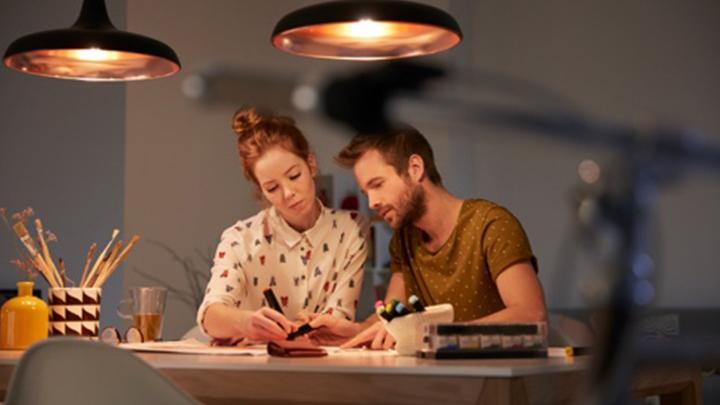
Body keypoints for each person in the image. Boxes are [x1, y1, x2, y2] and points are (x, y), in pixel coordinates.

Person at [308, 126, 547, 349]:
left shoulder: (491, 225)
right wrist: (353, 330)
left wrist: (430, 334)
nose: (372, 203)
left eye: (378, 184)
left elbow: (531, 315)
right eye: (366, 192)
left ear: (415, 168)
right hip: (443, 380)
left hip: (499, 381)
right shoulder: (403, 240)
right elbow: (391, 318)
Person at [196, 107, 369, 345]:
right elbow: (209, 315)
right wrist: (245, 323)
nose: (288, 194)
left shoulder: (351, 229)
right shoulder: (239, 238)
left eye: (294, 176)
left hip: (321, 367)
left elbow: (337, 320)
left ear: (311, 164)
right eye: (272, 188)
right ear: (261, 191)